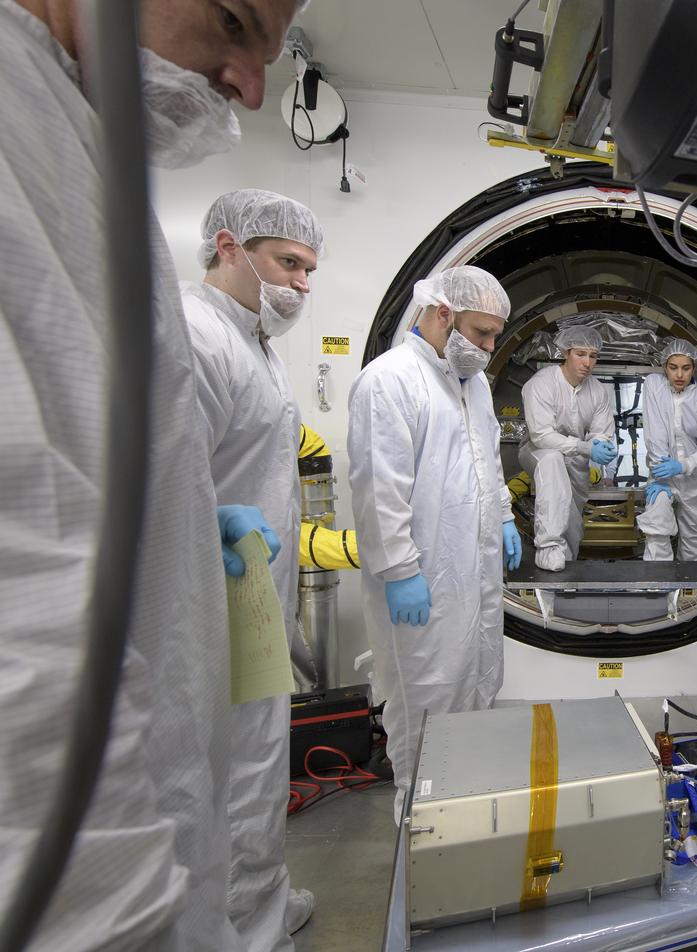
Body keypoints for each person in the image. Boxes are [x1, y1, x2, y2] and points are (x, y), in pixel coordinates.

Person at [0, 1, 302, 949]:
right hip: (80, 843)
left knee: (231, 779)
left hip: (200, 628)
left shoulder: (71, 143)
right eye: (233, 21)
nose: (251, 86)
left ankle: (248, 910)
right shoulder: (18, 129)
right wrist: (113, 914)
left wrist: (194, 517)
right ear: (231, 247)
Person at [183, 188, 325, 948]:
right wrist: (212, 518)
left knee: (259, 755)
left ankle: (261, 899)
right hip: (212, 596)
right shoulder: (196, 334)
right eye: (288, 262)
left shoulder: (255, 344)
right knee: (233, 763)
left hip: (253, 594)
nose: (301, 283)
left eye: (309, 271)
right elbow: (161, 479)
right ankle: (242, 926)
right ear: (229, 246)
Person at [348, 267, 518, 818]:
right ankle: (421, 829)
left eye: (495, 336)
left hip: (475, 574)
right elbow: (380, 489)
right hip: (423, 581)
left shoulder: (474, 384)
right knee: (427, 702)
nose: (488, 348)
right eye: (481, 333)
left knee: (478, 685)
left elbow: (488, 462)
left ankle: (463, 819)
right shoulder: (389, 381)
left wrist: (505, 515)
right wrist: (400, 571)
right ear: (443, 313)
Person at [518, 325, 617, 571]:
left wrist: (601, 444)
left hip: (577, 458)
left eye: (593, 356)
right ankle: (548, 547)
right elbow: (541, 435)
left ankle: (567, 565)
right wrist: (586, 447)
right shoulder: (542, 383)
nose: (587, 362)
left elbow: (601, 431)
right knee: (552, 460)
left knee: (573, 518)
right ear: (565, 352)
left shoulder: (597, 390)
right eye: (580, 354)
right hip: (537, 450)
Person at [636, 338, 697, 561]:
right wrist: (660, 473)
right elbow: (655, 433)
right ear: (665, 366)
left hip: (696, 480)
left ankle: (691, 582)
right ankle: (657, 579)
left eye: (686, 368)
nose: (679, 375)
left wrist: (683, 466)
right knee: (657, 527)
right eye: (673, 368)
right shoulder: (655, 387)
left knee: (695, 537)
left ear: (695, 368)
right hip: (662, 474)